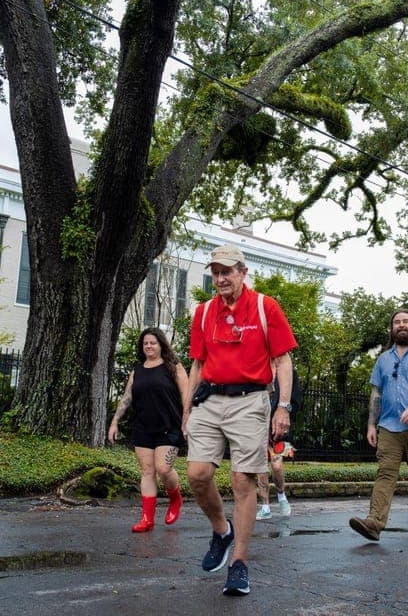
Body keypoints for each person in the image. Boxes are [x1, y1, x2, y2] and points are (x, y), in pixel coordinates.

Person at [185, 244, 297, 597]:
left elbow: (283, 361)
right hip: (209, 400)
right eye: (215, 272)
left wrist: (283, 406)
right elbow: (198, 365)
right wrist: (187, 409)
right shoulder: (203, 313)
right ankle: (222, 530)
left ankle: (239, 563)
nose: (220, 279)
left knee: (242, 481)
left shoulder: (265, 307)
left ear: (242, 273)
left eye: (227, 272)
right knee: (197, 475)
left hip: (250, 401)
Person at [349, 308, 408, 543]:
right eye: (397, 322)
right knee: (385, 473)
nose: (401, 325)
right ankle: (374, 522)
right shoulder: (383, 359)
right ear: (392, 329)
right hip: (389, 427)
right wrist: (372, 424)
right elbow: (376, 392)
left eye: (406, 321)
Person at [107, 327, 188, 533]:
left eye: (152, 342)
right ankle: (147, 518)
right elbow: (127, 398)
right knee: (147, 471)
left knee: (163, 468)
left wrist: (187, 419)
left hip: (168, 426)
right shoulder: (138, 370)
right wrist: (115, 421)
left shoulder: (173, 367)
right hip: (143, 427)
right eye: (145, 343)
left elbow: (187, 395)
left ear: (161, 345)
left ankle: (175, 497)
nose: (149, 346)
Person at [256, 367, 302, 520]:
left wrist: (284, 412)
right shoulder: (258, 366)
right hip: (258, 424)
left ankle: (282, 497)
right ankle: (265, 506)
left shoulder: (289, 372)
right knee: (260, 467)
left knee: (277, 466)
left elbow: (296, 401)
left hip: (279, 428)